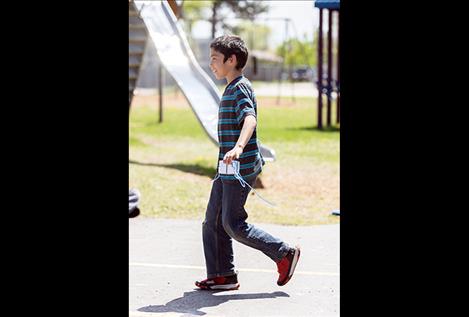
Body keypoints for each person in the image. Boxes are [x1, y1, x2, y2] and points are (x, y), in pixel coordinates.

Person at [195, 35, 300, 291]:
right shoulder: (231, 86)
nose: (211, 65)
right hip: (226, 169)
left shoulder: (240, 87)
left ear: (231, 60)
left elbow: (249, 119)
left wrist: (239, 147)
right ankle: (223, 274)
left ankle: (284, 253)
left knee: (232, 224)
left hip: (239, 168)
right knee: (213, 221)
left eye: (215, 59)